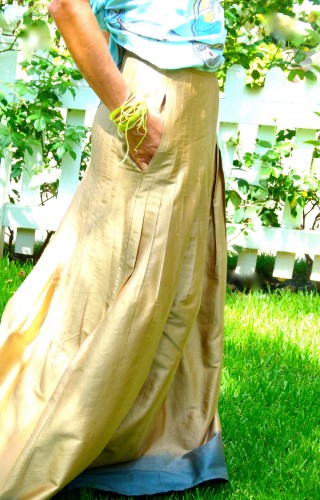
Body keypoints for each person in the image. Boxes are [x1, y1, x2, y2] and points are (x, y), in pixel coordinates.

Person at [0, 0, 228, 498]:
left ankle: (137, 434)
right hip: (151, 102)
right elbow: (65, 4)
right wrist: (130, 112)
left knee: (172, 286)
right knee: (111, 286)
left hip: (187, 99)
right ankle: (36, 437)